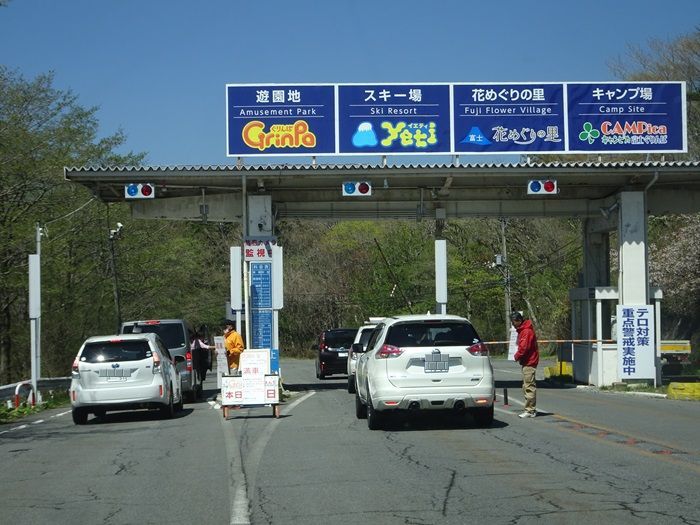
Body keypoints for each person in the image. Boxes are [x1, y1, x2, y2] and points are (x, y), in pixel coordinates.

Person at [511, 311, 539, 418]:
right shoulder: (523, 330)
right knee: (526, 385)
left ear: (518, 320)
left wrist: (516, 356)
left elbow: (524, 348)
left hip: (530, 361)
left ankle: (530, 410)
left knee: (529, 386)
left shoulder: (526, 331)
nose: (513, 325)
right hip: (527, 361)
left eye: (513, 322)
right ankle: (530, 409)